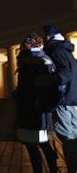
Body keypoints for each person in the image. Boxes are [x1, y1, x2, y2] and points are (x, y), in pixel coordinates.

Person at [16, 33, 58, 173]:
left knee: (36, 145)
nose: (22, 46)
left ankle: (47, 169)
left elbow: (31, 86)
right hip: (36, 109)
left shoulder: (32, 61)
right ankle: (51, 169)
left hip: (32, 109)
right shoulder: (41, 59)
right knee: (40, 144)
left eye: (25, 44)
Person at [43, 25, 77, 171]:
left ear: (48, 37)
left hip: (64, 100)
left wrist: (49, 80)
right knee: (74, 134)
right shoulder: (66, 50)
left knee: (66, 136)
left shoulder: (56, 50)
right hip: (73, 99)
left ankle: (73, 167)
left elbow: (66, 73)